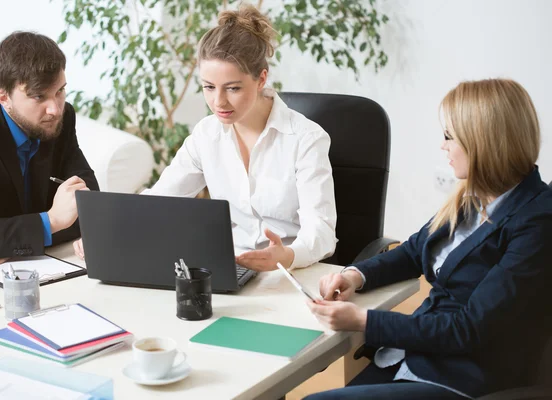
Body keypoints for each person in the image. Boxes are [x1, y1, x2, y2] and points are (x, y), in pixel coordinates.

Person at [305, 79, 552, 399]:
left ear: (483, 142)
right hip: (418, 354)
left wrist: (364, 320)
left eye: (450, 136)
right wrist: (356, 275)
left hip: (463, 376)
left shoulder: (536, 222)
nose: (443, 146)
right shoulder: (474, 196)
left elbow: (470, 329)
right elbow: (412, 252)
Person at [74, 4, 336, 271]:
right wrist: (107, 230)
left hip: (294, 271)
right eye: (208, 87)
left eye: (233, 88)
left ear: (261, 79)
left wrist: (287, 256)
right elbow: (161, 199)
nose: (218, 101)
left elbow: (322, 232)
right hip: (232, 267)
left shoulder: (305, 139)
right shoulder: (206, 134)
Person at [0, 31, 98, 268]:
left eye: (60, 91)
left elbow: (91, 206)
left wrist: (9, 240)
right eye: (39, 96)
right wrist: (49, 222)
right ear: (3, 98)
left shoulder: (61, 118)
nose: (55, 109)